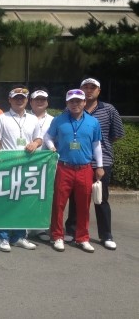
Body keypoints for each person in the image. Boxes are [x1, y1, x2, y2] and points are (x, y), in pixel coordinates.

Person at [65, 78, 124, 250]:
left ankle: (106, 235)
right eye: (86, 87)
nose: (89, 90)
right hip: (77, 161)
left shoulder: (109, 109)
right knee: (75, 199)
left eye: (93, 87)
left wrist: (100, 149)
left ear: (99, 91)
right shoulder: (71, 108)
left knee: (100, 198)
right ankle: (72, 231)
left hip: (101, 161)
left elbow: (117, 134)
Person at [44, 89, 104, 253]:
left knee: (83, 205)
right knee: (58, 204)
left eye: (78, 101)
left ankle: (82, 238)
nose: (75, 104)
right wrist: (52, 147)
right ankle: (57, 236)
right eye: (71, 101)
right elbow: (48, 137)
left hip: (85, 168)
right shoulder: (59, 120)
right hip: (64, 167)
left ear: (84, 102)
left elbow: (96, 145)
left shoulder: (93, 122)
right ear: (67, 103)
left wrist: (99, 166)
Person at [0, 86, 42, 252]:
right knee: (4, 203)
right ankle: (3, 237)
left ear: (27, 100)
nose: (19, 100)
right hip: (7, 167)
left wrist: (35, 144)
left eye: (22, 98)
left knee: (23, 203)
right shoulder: (2, 118)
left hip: (27, 167)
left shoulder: (33, 119)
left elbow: (39, 139)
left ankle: (19, 236)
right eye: (16, 98)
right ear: (10, 100)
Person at [28, 87, 54, 242]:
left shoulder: (54, 120)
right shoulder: (24, 117)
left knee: (42, 196)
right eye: (36, 99)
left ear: (47, 102)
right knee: (24, 195)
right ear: (30, 102)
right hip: (26, 163)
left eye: (43, 99)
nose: (40, 102)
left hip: (46, 164)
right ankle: (23, 226)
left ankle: (39, 227)